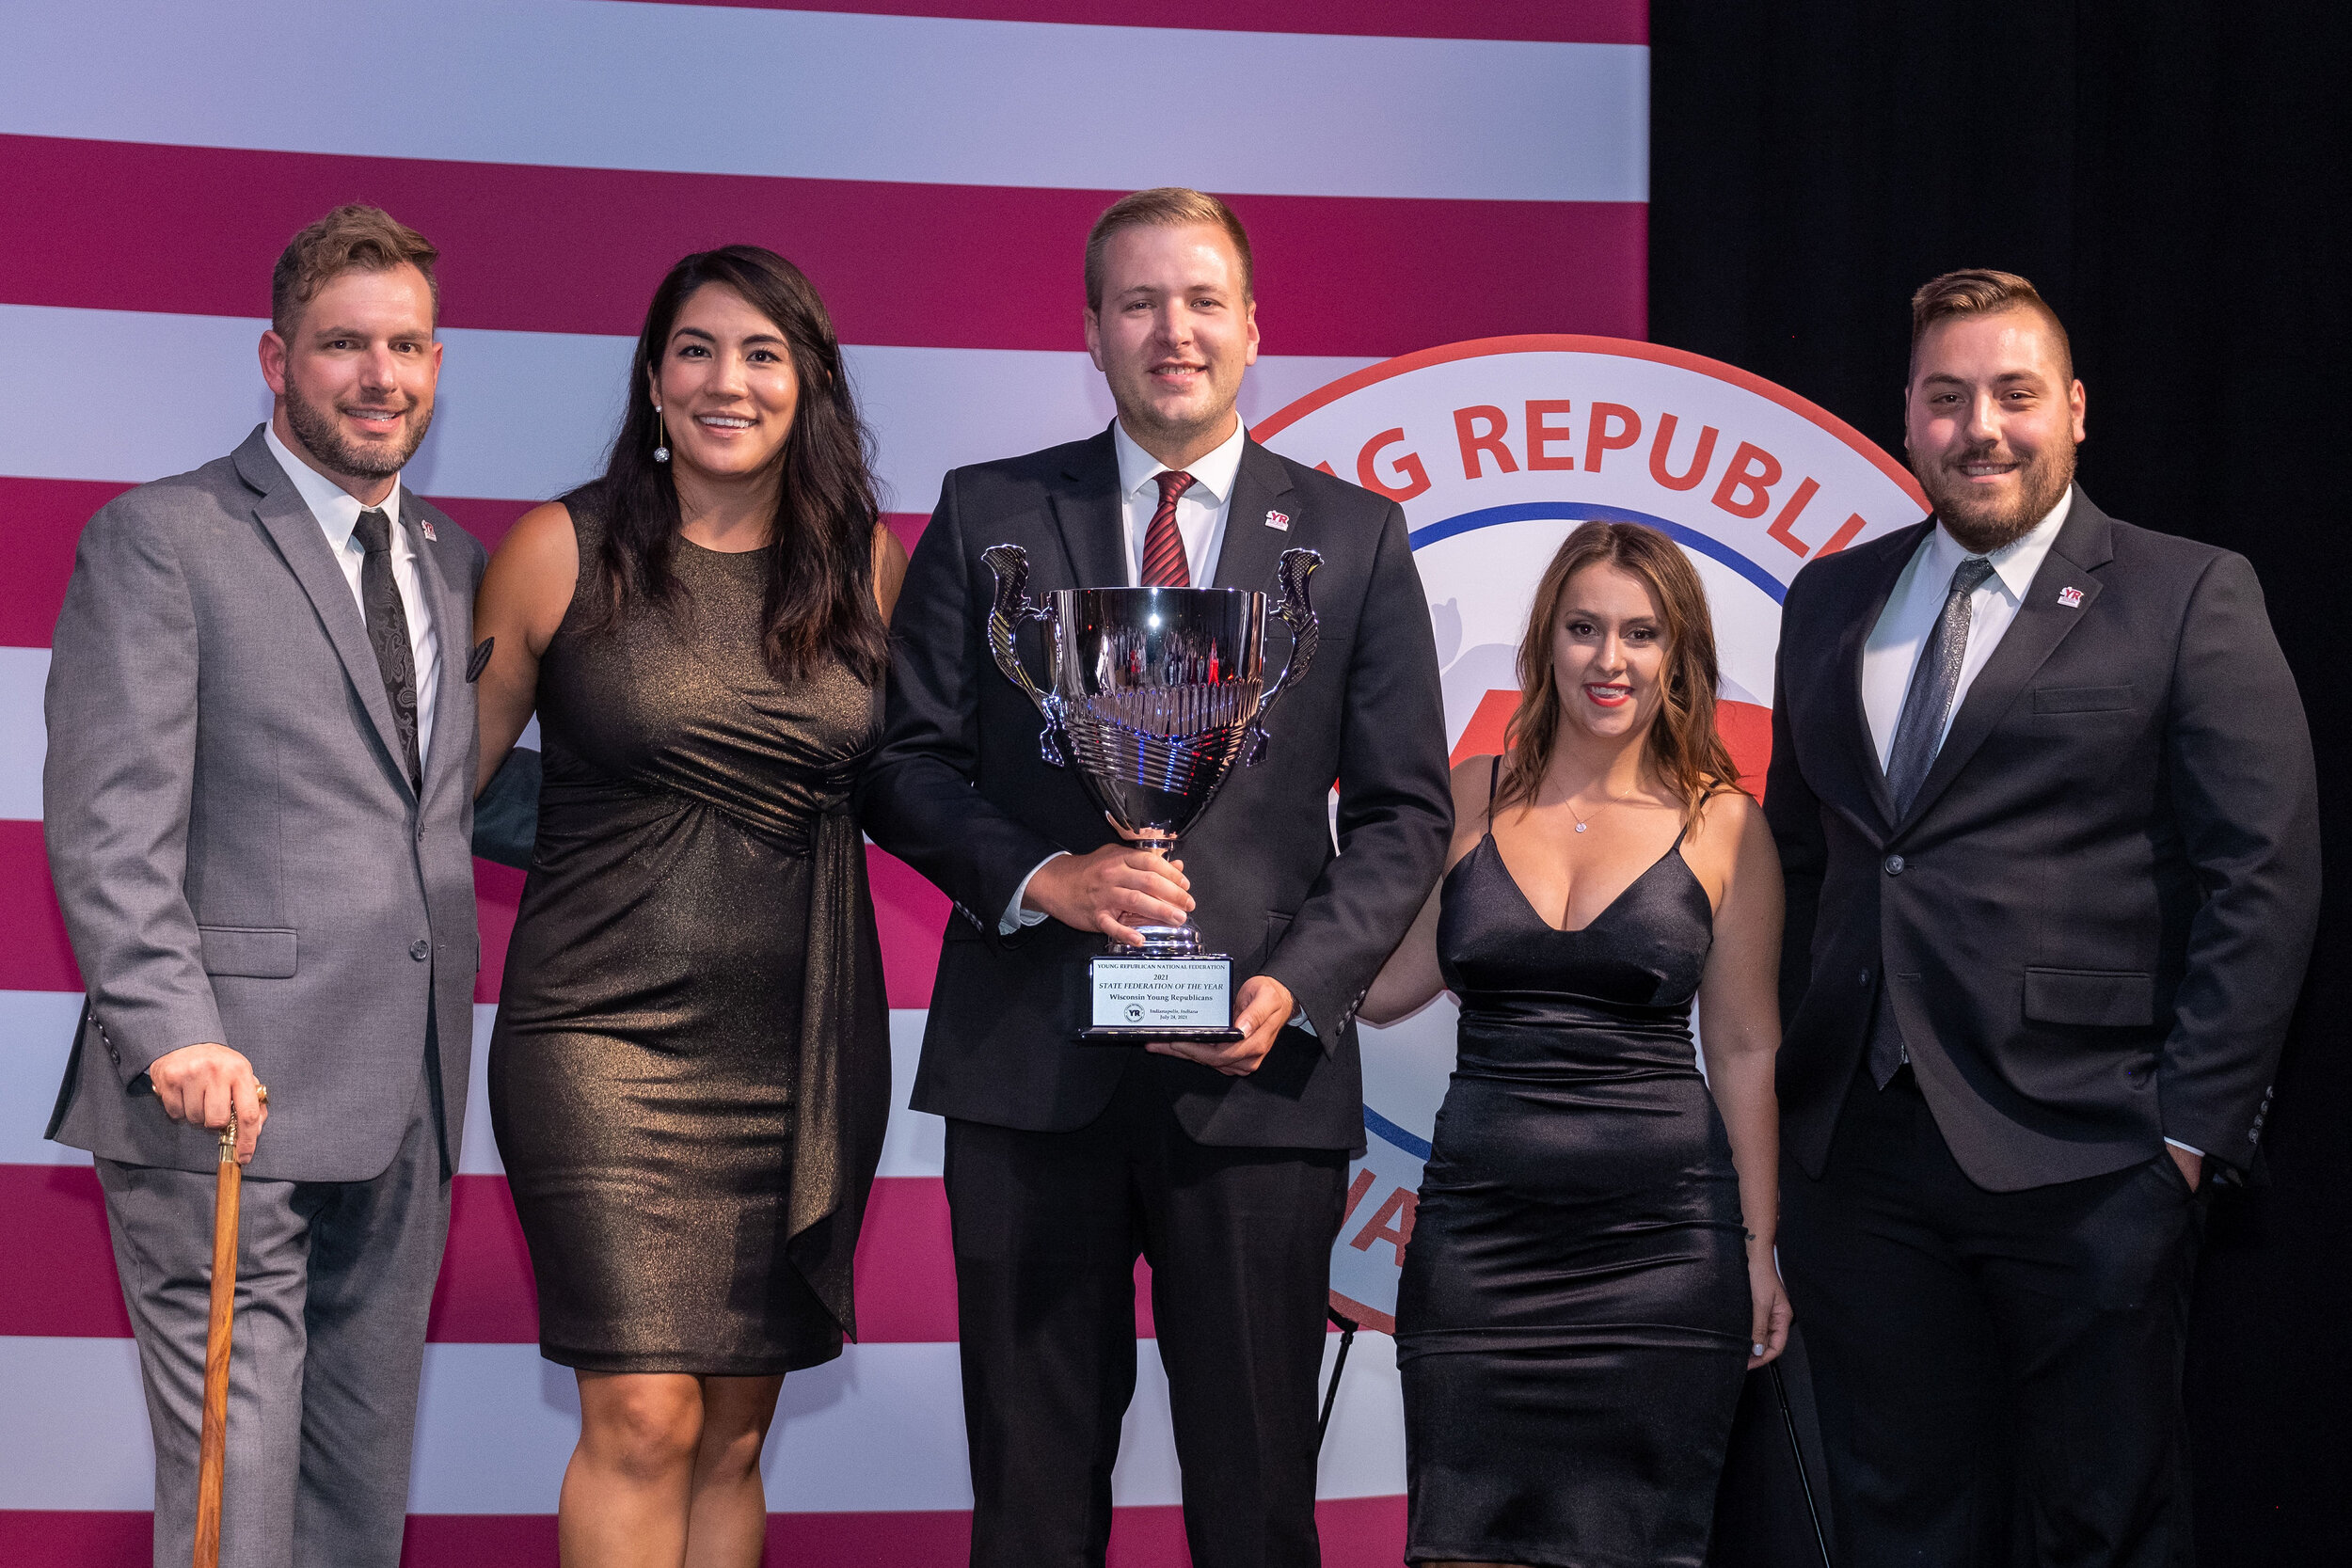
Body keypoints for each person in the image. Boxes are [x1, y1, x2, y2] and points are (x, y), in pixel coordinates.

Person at [858, 187, 1453, 1567]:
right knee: (1029, 1494)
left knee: (1254, 1505)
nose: (1170, 331)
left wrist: (1291, 988)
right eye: (1137, 302)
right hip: (1029, 1071)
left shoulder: (1354, 540)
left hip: (1254, 1082)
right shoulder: (988, 511)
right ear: (1090, 330)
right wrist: (1044, 876)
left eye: (1200, 302)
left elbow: (1405, 816)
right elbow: (903, 765)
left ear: (1254, 326)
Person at [1766, 269, 2320, 1566]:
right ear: (1905, 418)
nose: (1983, 427)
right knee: (1896, 1518)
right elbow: (1801, 862)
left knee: (2102, 1523)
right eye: (1947, 397)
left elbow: (2266, 876)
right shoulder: (1830, 600)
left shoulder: (2186, 592)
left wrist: (2187, 1134)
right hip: (1863, 1163)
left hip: (2093, 1154)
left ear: (2075, 409)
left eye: (2015, 394)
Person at [42, 205, 481, 1568]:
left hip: (403, 1080)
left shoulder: (451, 558)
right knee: (238, 1484)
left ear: (438, 359)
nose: (379, 374)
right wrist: (173, 1029)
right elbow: (110, 823)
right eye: (343, 343)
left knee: (358, 1476)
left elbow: (435, 803)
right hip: (221, 1095)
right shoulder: (161, 537)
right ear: (274, 357)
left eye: (404, 343)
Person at [471, 245, 906, 1568]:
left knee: (730, 1430)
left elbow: (929, 791)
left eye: (764, 352)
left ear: (811, 381)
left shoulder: (871, 567)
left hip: (800, 1045)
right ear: (653, 380)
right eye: (698, 349)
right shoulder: (560, 546)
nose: (729, 380)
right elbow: (439, 790)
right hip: (596, 1036)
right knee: (646, 1411)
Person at [1363, 520, 1791, 1568]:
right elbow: (1379, 990)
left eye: (1641, 634)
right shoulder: (1474, 788)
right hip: (1479, 1248)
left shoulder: (1724, 821)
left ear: (1678, 654)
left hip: (1662, 1254)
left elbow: (1742, 1049)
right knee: (1462, 1544)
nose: (1611, 660)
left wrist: (1756, 1250)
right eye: (1585, 628)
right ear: (1545, 643)